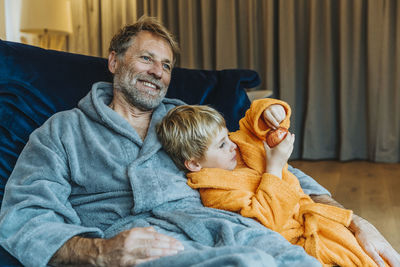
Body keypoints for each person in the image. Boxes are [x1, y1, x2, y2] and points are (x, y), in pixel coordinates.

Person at [0, 16, 398, 267]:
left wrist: (352, 219)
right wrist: (100, 253)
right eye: (146, 59)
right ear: (114, 62)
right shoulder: (63, 131)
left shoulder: (183, 118)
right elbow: (24, 216)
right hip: (136, 240)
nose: (158, 72)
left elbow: (266, 162)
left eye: (167, 65)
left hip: (223, 223)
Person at [156, 100, 396, 266]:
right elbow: (269, 221)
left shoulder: (236, 150)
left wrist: (270, 110)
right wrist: (274, 167)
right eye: (221, 145)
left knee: (378, 257)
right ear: (194, 164)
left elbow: (252, 122)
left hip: (320, 220)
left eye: (226, 136)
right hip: (302, 242)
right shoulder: (215, 192)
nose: (232, 145)